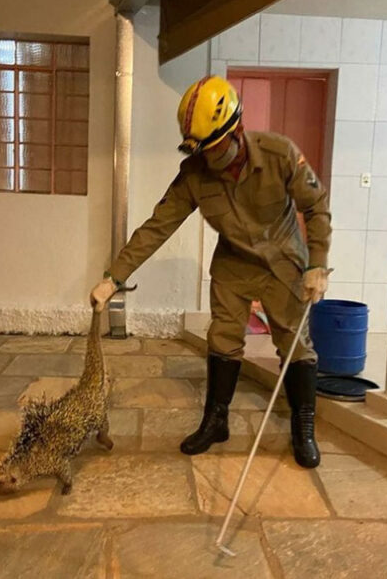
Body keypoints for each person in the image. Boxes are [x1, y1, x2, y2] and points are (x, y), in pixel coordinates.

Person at [90, 75, 331, 468]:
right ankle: (215, 420)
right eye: (199, 148)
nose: (208, 157)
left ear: (236, 128)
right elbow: (157, 226)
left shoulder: (279, 153)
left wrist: (317, 263)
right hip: (234, 265)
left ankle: (303, 427)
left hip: (284, 264)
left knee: (295, 345)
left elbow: (316, 205)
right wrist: (113, 278)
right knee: (222, 340)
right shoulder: (195, 174)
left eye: (213, 146)